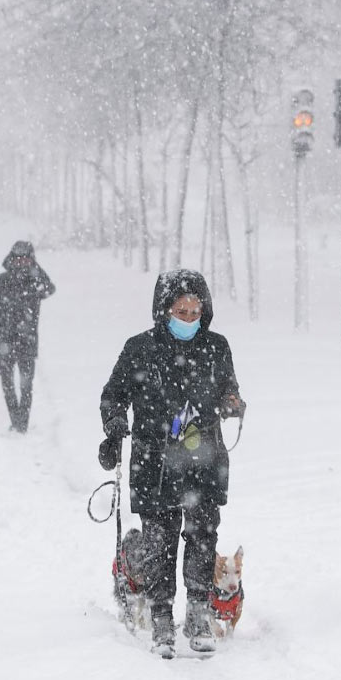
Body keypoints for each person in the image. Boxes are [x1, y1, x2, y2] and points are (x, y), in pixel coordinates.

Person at [99, 269, 245, 657]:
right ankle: (162, 620)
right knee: (159, 545)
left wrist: (232, 401)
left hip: (204, 460)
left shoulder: (217, 347)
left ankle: (197, 616)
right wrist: (114, 427)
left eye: (195, 312)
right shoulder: (139, 349)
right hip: (155, 464)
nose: (188, 319)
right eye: (180, 312)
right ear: (163, 310)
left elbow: (229, 385)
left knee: (202, 539)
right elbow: (113, 395)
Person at [0, 241, 55, 432]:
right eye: (18, 258)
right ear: (11, 259)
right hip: (3, 341)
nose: (21, 262)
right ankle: (15, 419)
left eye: (26, 258)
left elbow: (50, 288)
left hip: (27, 341)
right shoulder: (0, 282)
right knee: (7, 385)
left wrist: (36, 269)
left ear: (32, 260)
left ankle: (22, 424)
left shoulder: (36, 283)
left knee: (26, 386)